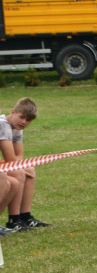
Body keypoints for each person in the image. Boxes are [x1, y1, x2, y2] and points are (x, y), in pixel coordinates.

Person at [0, 97, 50, 231]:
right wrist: (21, 166)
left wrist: (24, 166)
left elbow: (19, 157)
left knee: (29, 170)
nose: (24, 122)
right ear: (13, 112)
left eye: (28, 120)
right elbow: (11, 160)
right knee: (19, 172)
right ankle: (14, 220)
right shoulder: (3, 124)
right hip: (5, 164)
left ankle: (25, 216)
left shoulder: (17, 128)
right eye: (21, 117)